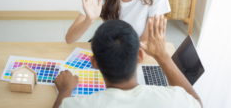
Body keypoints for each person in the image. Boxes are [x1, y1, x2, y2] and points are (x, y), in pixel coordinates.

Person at [53, 15, 203, 108]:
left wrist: (65, 90)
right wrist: (162, 56)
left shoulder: (77, 105)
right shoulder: (174, 100)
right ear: (140, 56)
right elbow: (197, 102)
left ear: (94, 62)